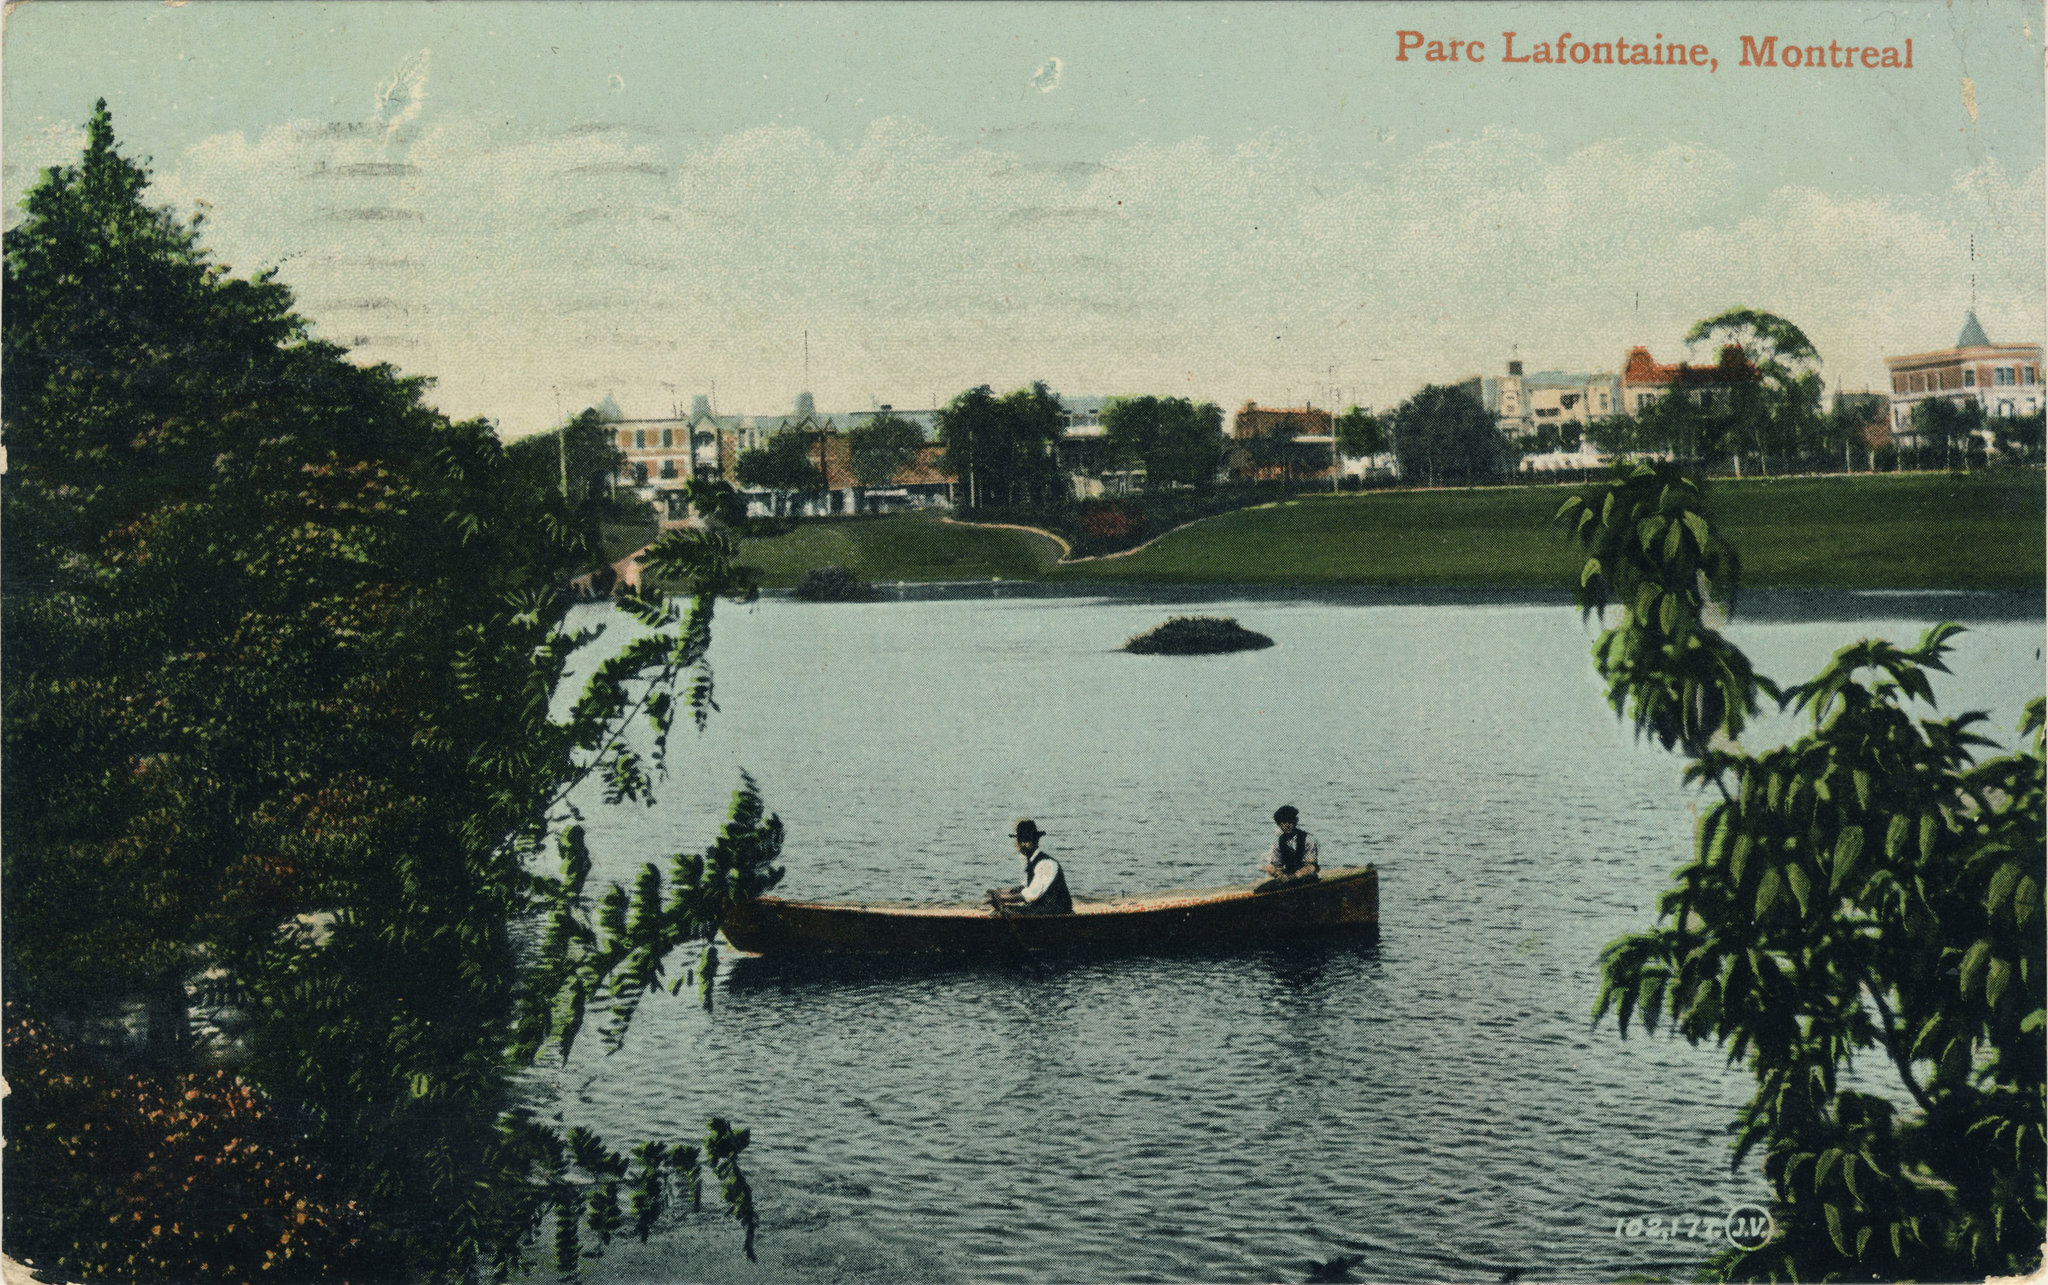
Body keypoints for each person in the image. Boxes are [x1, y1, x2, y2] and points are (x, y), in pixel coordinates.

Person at [987, 818, 1073, 916]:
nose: (1023, 844)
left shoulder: (1046, 864)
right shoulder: (1033, 862)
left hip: (1057, 912)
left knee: (1004, 913)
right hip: (1042, 909)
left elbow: (1032, 895)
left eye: (1027, 840)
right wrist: (1000, 892)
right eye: (1021, 840)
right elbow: (1024, 887)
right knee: (1004, 910)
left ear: (1035, 841)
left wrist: (1003, 897)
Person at [1257, 805, 1320, 889]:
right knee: (1262, 889)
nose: (1287, 825)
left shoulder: (1308, 839)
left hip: (1306, 878)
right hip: (1288, 878)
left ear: (1296, 821)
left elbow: (1311, 867)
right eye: (1283, 822)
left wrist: (1292, 877)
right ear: (1279, 824)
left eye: (1289, 821)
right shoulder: (1277, 843)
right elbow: (1277, 865)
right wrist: (1273, 871)